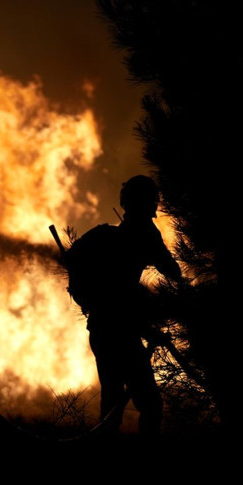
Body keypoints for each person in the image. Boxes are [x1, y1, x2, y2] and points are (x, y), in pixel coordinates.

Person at [80, 175, 183, 438]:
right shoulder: (145, 233)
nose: (155, 205)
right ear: (146, 202)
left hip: (103, 329)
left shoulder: (108, 236)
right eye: (153, 200)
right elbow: (172, 271)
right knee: (150, 404)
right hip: (122, 332)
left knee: (112, 405)